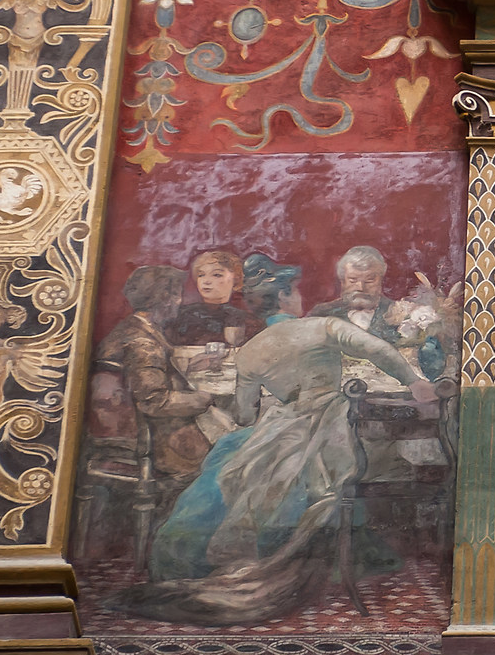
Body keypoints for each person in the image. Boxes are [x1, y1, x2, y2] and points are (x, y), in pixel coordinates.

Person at [123, 308, 438, 624]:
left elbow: (245, 414)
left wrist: (272, 408)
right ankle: (343, 551)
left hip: (290, 424)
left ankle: (195, 563)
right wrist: (414, 382)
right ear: (295, 319)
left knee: (235, 455)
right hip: (338, 424)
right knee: (348, 460)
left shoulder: (249, 353)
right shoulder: (324, 326)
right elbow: (378, 349)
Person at [95, 266, 216, 485]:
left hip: (125, 432)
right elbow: (155, 402)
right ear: (164, 299)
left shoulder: (128, 330)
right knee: (231, 451)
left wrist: (187, 368)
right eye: (177, 294)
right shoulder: (143, 343)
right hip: (158, 442)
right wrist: (204, 399)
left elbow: (140, 379)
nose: (180, 301)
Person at [304, 245, 454, 380]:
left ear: (381, 280)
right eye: (353, 280)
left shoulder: (403, 314)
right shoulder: (322, 314)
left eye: (369, 280)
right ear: (342, 281)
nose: (361, 287)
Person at [165, 248, 257, 348]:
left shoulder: (247, 321)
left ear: (236, 279)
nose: (206, 281)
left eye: (216, 275)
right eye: (201, 275)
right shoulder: (182, 316)